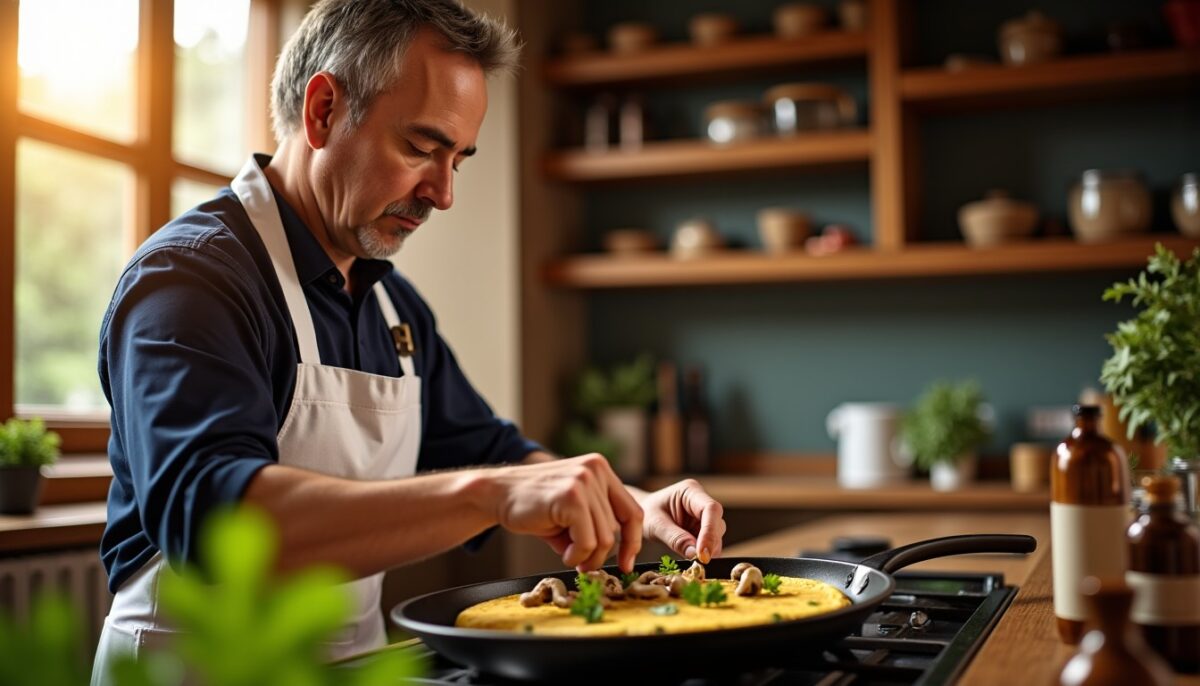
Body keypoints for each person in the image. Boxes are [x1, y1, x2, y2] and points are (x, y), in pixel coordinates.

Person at [90, 0, 726, 679]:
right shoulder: (192, 277)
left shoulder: (394, 307)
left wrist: (630, 504)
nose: (444, 193)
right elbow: (216, 522)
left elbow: (492, 452)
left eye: (459, 159)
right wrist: (490, 494)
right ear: (323, 110)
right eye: (422, 148)